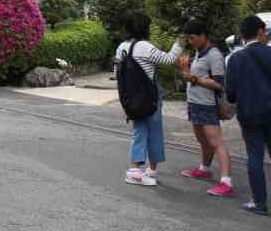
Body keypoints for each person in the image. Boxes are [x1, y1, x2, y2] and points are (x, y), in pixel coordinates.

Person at [114, 14, 184, 186]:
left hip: (132, 97)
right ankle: (142, 171)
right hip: (150, 96)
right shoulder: (145, 46)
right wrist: (178, 45)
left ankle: (140, 170)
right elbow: (167, 60)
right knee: (154, 132)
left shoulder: (121, 47)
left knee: (140, 130)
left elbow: (117, 73)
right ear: (143, 28)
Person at [178, 19, 234, 196]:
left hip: (207, 105)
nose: (190, 41)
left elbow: (219, 84)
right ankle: (204, 168)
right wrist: (185, 71)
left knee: (216, 142)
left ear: (203, 36)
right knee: (203, 140)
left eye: (193, 38)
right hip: (195, 103)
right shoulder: (198, 52)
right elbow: (192, 77)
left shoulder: (214, 55)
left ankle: (226, 181)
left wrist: (194, 79)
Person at [225, 14, 271, 216]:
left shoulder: (235, 58)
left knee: (255, 156)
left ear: (243, 36)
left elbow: (231, 94)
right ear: (261, 32)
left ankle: (259, 203)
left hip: (250, 114)